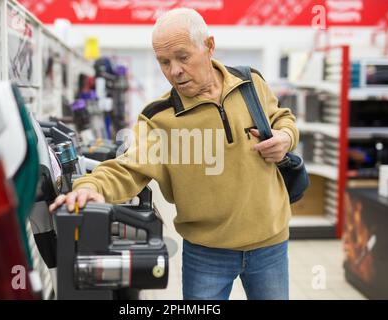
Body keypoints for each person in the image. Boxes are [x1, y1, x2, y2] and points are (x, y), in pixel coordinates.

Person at [50, 8, 299, 300]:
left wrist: (285, 137)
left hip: (270, 245)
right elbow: (128, 167)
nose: (174, 70)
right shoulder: (159, 117)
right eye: (164, 62)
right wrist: (91, 186)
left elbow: (283, 118)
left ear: (208, 46)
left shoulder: (251, 83)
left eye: (183, 57)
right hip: (207, 254)